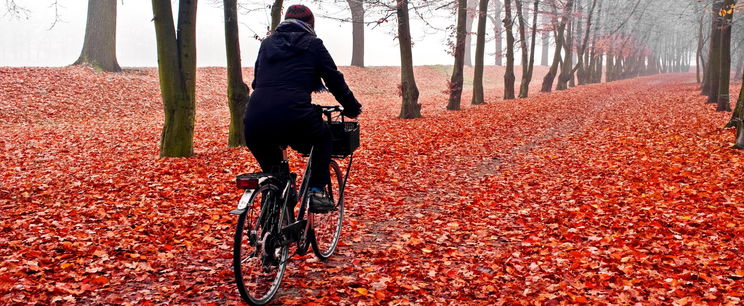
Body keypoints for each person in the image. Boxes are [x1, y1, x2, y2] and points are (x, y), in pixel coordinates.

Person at [243, 4, 362, 213]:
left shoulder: (267, 44)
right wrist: (351, 107)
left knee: (274, 173)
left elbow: (256, 81)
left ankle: (274, 211)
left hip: (255, 117)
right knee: (323, 137)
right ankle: (316, 191)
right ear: (311, 23)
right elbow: (333, 79)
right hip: (294, 114)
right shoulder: (313, 44)